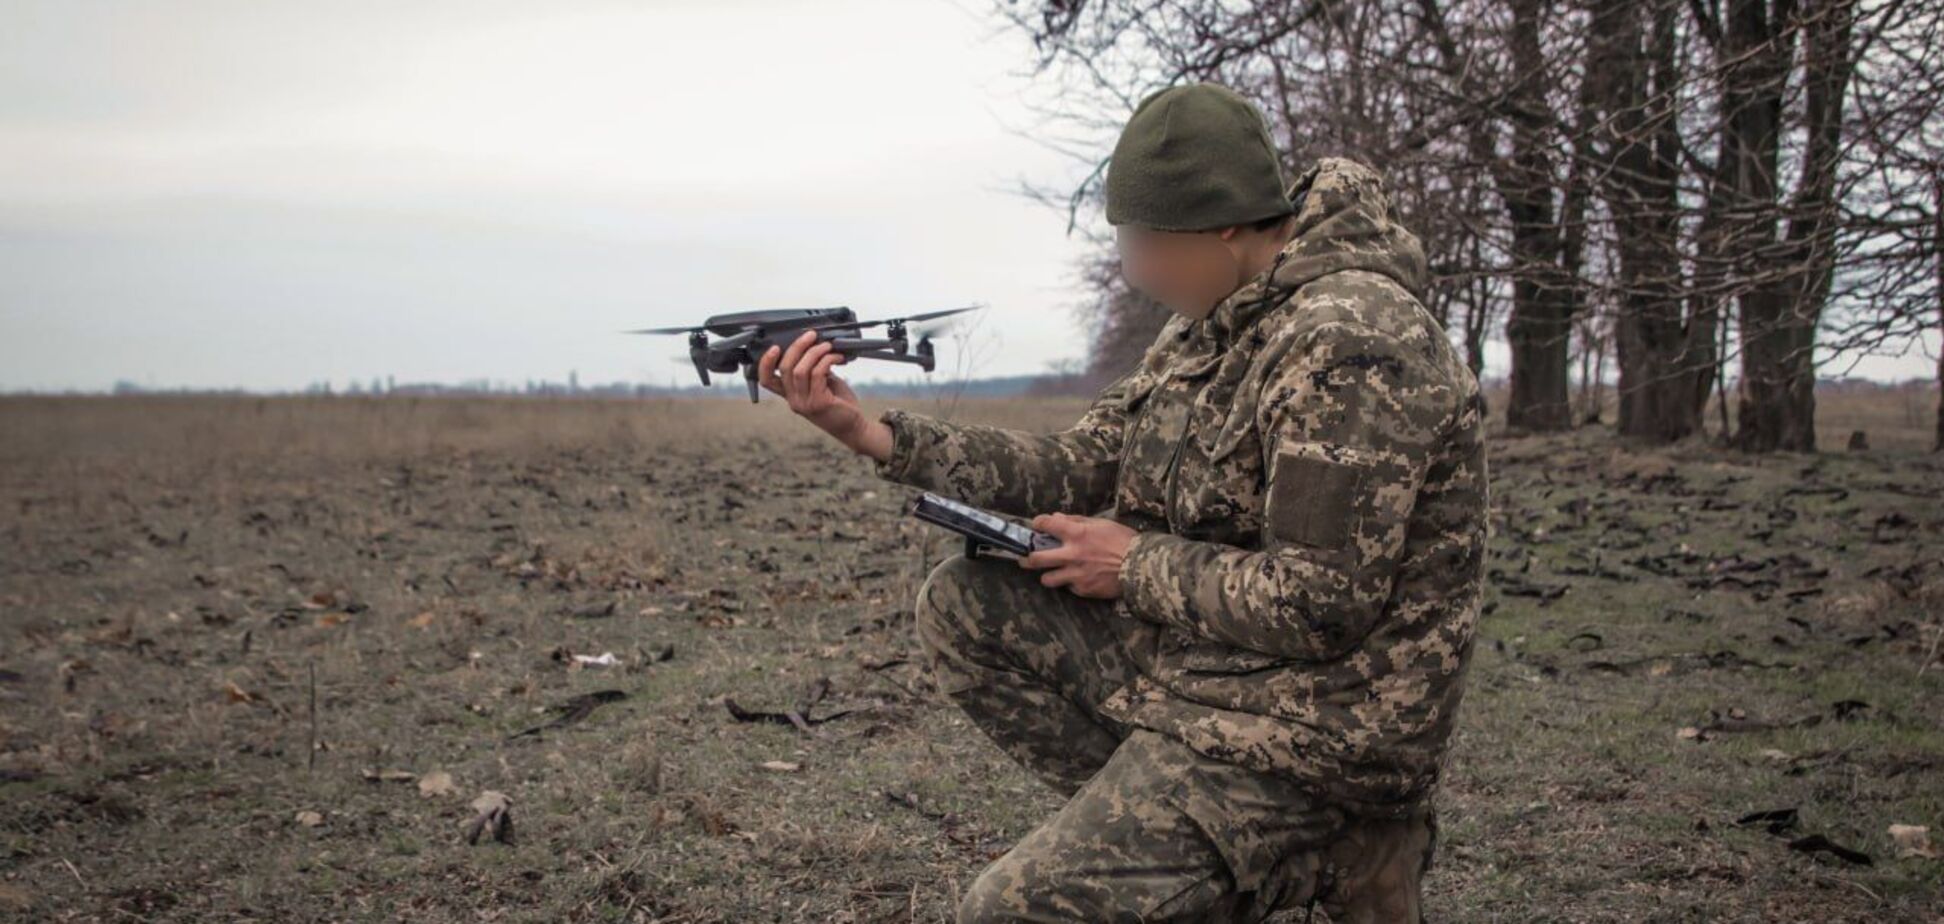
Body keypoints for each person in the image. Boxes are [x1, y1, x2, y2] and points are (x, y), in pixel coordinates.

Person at [758, 82, 1488, 923]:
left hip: (1320, 734)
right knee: (968, 603)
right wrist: (871, 434)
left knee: (1008, 911)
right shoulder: (1212, 321)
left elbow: (1321, 605)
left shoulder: (1351, 339)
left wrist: (1133, 563)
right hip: (1213, 677)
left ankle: (1339, 840)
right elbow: (1084, 464)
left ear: (1222, 227)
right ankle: (1185, 848)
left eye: (1144, 243)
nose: (1135, 273)